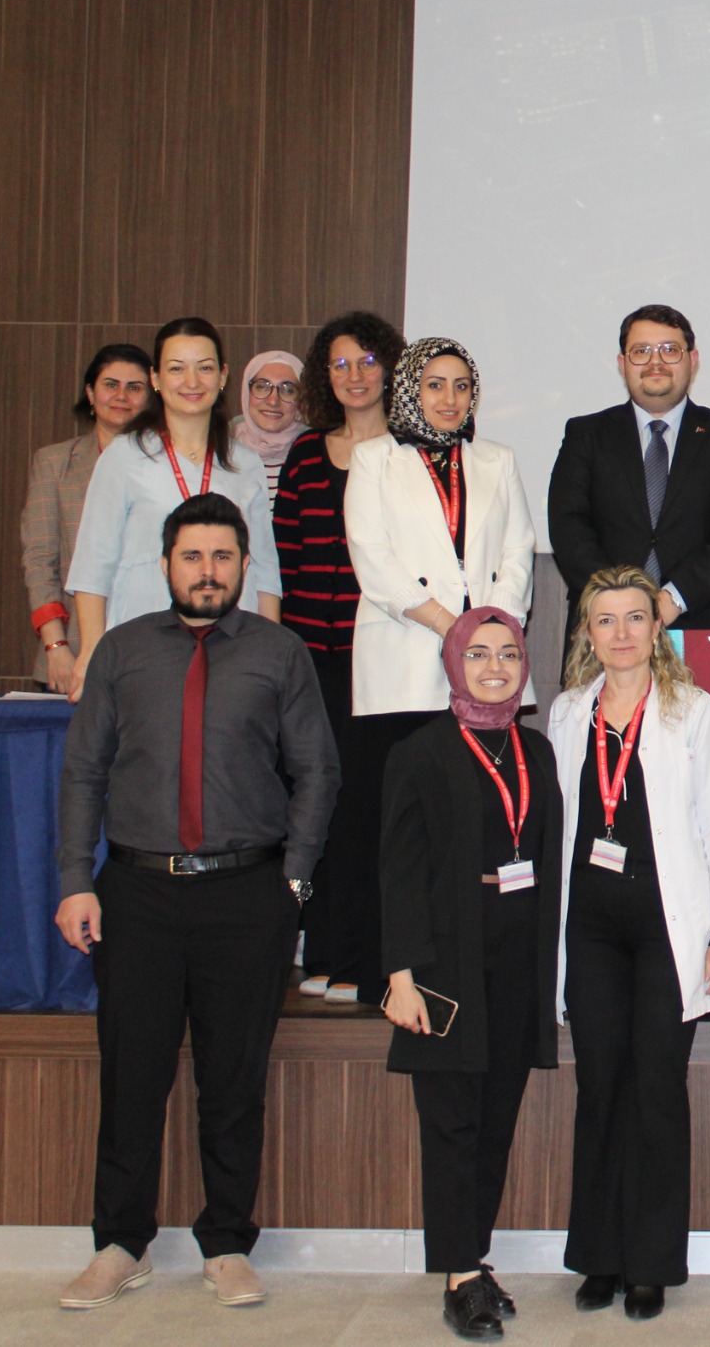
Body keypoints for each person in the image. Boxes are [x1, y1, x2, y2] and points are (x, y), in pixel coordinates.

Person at [50, 492, 339, 1312]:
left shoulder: (280, 653)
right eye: (192, 557)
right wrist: (75, 880)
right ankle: (120, 1243)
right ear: (165, 565)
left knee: (233, 1081)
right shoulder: (121, 650)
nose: (207, 572)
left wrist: (294, 883)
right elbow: (83, 772)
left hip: (248, 893)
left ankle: (228, 1243)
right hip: (136, 892)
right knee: (131, 1076)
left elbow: (318, 770)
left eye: (221, 557)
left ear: (244, 565)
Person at [546, 566, 710, 1322]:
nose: (622, 632)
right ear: (588, 633)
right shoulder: (568, 712)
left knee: (657, 1089)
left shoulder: (691, 710)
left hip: (670, 925)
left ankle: (652, 1264)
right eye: (606, 620)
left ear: (657, 627)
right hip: (591, 926)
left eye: (636, 617)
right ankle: (599, 1256)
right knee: (600, 1086)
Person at [377, 609, 559, 1342]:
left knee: (494, 1124)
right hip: (445, 963)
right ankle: (458, 1275)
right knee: (452, 1124)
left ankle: (472, 1259)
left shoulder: (536, 750)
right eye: (478, 654)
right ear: (453, 664)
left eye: (507, 653)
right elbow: (397, 871)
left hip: (518, 960)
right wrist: (400, 975)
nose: (494, 667)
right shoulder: (420, 752)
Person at [337, 337, 537, 1003]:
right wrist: (453, 628)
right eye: (434, 385)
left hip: (487, 672)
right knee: (399, 829)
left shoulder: (497, 459)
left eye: (461, 386)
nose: (449, 399)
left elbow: (517, 554)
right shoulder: (374, 459)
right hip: (403, 660)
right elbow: (372, 558)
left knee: (478, 825)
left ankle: (466, 966)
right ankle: (391, 971)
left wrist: (488, 637)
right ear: (408, 391)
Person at [548, 304, 710, 740]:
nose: (655, 362)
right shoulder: (586, 435)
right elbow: (568, 526)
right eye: (641, 351)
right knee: (604, 766)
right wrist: (622, 607)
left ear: (692, 359)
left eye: (670, 349)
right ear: (622, 363)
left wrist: (670, 599)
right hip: (606, 636)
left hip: (700, 626)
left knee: (699, 765)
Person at [275, 310, 405, 996]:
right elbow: (285, 557)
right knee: (316, 801)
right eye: (340, 364)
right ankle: (322, 950)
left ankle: (369, 959)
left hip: (381, 661)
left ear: (390, 369)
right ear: (324, 376)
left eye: (368, 361)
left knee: (370, 808)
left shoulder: (411, 454)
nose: (355, 376)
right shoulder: (304, 456)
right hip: (311, 661)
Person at [67, 318, 282, 662]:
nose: (192, 381)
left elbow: (265, 572)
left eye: (205, 368)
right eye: (177, 368)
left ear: (223, 376)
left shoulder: (245, 463)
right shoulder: (123, 457)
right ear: (155, 378)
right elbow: (92, 567)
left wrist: (270, 655)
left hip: (231, 649)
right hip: (141, 646)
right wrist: (92, 654)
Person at [22, 342, 150, 692]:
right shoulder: (54, 464)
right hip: (73, 653)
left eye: (134, 387)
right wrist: (56, 646)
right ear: (91, 393)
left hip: (151, 653)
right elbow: (40, 562)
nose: (121, 396)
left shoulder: (170, 465)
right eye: (110, 385)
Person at [233, 350, 307, 505]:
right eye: (262, 387)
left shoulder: (314, 453)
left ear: (300, 400)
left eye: (288, 390)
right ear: (247, 393)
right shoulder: (222, 450)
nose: (273, 401)